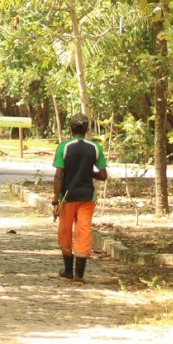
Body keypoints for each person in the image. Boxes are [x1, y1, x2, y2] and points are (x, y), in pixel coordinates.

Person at [52, 113, 107, 285]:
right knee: (83, 230)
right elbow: (103, 175)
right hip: (87, 197)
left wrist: (55, 198)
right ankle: (79, 275)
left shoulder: (64, 147)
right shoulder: (95, 148)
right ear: (87, 129)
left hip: (67, 197)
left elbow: (58, 176)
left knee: (65, 231)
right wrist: (87, 171)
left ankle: (68, 270)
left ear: (70, 129)